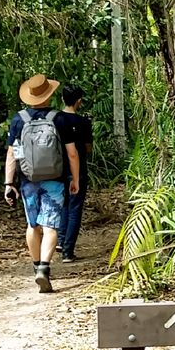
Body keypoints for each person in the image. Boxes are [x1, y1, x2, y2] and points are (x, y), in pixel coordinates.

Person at [4, 73, 80, 293]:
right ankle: (44, 269)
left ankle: (36, 265)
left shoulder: (19, 120)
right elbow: (72, 154)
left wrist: (9, 183)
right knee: (50, 227)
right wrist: (74, 179)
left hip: (28, 181)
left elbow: (12, 154)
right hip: (55, 180)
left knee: (33, 226)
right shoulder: (59, 119)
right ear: (49, 95)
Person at [58, 84, 93, 263]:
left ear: (63, 99)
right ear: (79, 101)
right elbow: (87, 148)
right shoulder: (83, 122)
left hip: (57, 171)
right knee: (75, 210)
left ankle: (61, 240)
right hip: (77, 172)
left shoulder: (55, 119)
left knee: (64, 206)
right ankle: (67, 251)